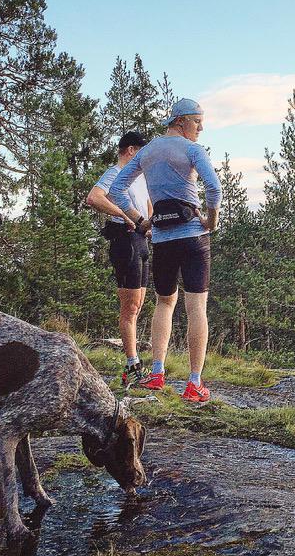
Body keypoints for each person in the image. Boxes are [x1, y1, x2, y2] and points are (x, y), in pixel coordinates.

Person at [109, 99, 221, 402]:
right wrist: (210, 220)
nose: (202, 127)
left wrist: (141, 222)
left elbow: (116, 190)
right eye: (198, 121)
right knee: (196, 307)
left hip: (161, 238)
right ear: (182, 121)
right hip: (193, 236)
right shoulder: (193, 150)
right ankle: (194, 383)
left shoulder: (146, 152)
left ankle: (157, 375)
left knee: (164, 303)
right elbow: (214, 188)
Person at [84, 131, 152, 386]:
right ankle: (132, 365)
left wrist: (150, 224)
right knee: (130, 307)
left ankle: (134, 364)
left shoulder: (140, 177)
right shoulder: (115, 173)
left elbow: (148, 204)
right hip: (124, 240)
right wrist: (124, 215)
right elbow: (94, 197)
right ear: (131, 150)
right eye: (142, 151)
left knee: (139, 304)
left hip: (142, 241)